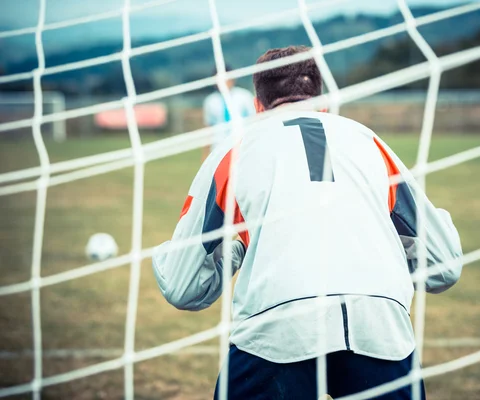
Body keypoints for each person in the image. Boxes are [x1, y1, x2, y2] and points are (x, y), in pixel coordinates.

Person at [152, 46, 463, 399]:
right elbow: (445, 264)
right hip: (380, 322)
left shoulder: (234, 151)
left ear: (257, 107)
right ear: (324, 103)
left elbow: (181, 285)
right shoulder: (370, 143)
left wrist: (238, 244)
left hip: (278, 326)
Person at [202, 65, 255, 161]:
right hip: (218, 145)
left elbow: (254, 120)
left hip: (241, 144)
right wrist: (205, 153)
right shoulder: (210, 101)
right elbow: (208, 128)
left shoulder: (244, 96)